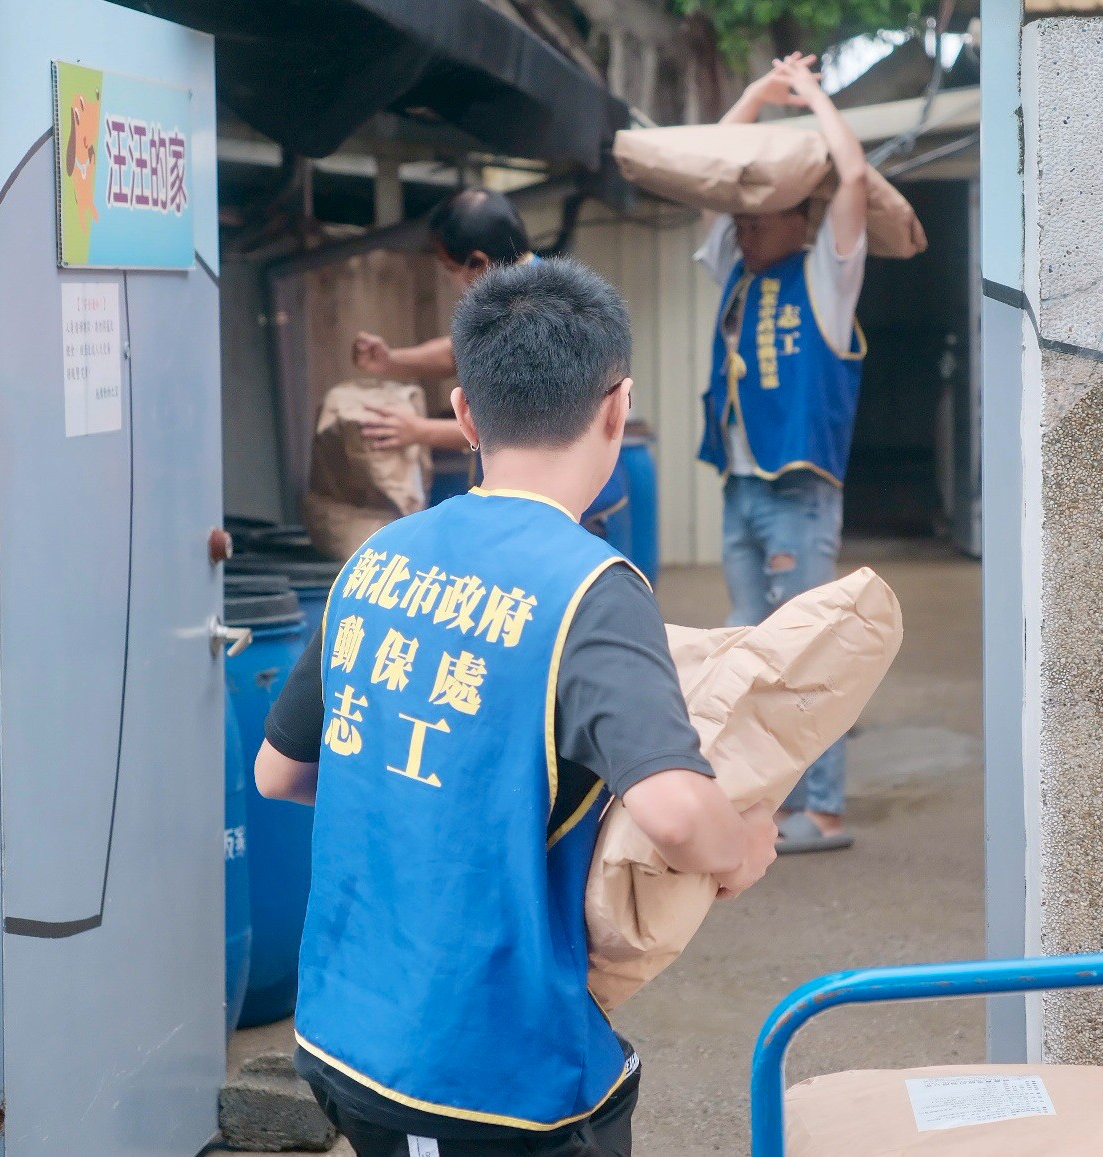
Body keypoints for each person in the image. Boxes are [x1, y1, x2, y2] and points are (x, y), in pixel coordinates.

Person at [256, 258, 777, 1157]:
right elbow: (675, 810)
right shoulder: (590, 586)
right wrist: (740, 849)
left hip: (346, 1038)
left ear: (461, 412)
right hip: (490, 1074)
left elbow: (280, 770)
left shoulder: (379, 559)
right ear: (617, 407)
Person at [696, 53, 869, 855]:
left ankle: (824, 810)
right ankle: (769, 800)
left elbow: (856, 181)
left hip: (797, 492)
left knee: (803, 652)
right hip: (740, 485)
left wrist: (811, 98)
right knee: (748, 646)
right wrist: (753, 93)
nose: (744, 224)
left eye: (762, 216)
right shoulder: (734, 270)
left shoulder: (826, 279)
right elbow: (711, 174)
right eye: (744, 218)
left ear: (801, 220)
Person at [353, 187, 629, 539]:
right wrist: (390, 361)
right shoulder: (531, 289)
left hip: (567, 509)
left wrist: (416, 431)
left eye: (449, 268)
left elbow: (511, 430)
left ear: (479, 262)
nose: (449, 280)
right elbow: (460, 351)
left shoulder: (535, 315)